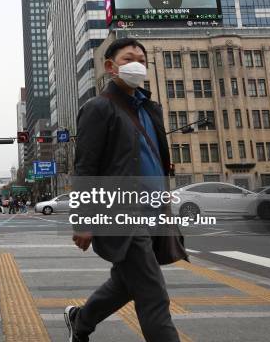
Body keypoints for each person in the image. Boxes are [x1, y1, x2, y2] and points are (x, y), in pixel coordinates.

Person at [64, 38, 183, 342]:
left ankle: (80, 320)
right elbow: (86, 167)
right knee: (153, 294)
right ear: (110, 67)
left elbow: (153, 155)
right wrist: (84, 219)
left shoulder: (150, 108)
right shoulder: (98, 108)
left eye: (142, 60)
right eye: (129, 58)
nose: (137, 64)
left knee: (127, 283)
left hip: (154, 211)